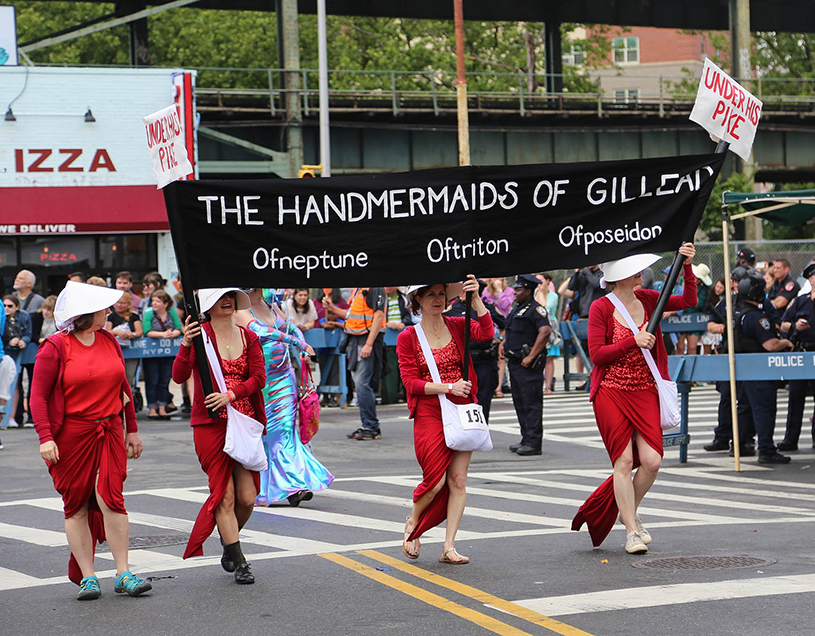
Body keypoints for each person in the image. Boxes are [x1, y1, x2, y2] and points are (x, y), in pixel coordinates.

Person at [572, 244, 697, 554]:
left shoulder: (648, 298)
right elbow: (597, 354)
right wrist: (632, 341)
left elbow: (689, 300)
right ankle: (630, 531)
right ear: (620, 276)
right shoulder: (602, 307)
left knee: (653, 461)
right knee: (624, 461)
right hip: (611, 393)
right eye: (634, 269)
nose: (641, 272)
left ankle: (630, 510)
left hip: (645, 391)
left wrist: (687, 266)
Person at [30, 281, 150, 600]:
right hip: (72, 435)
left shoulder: (109, 339)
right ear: (86, 313)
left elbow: (124, 389)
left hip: (109, 429)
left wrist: (132, 429)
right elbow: (38, 397)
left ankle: (124, 572)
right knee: (77, 504)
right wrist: (45, 437)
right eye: (103, 308)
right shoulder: (55, 346)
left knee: (111, 496)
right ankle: (88, 577)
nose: (109, 312)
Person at [398, 275, 494, 565]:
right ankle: (413, 522)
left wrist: (475, 299)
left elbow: (487, 332)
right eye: (430, 295)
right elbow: (410, 382)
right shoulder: (408, 337)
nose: (438, 299)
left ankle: (449, 546)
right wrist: (448, 387)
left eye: (441, 293)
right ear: (418, 301)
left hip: (462, 409)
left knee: (459, 480)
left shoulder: (458, 325)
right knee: (436, 480)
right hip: (429, 411)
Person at [173, 288, 266, 584]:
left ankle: (229, 542)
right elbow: (178, 375)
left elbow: (259, 378)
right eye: (219, 297)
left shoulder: (248, 336)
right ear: (206, 305)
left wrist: (231, 394)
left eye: (231, 296)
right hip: (210, 424)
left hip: (244, 421)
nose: (227, 301)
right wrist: (186, 343)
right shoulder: (199, 335)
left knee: (248, 498)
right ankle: (239, 560)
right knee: (223, 496)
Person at [236, 288, 333, 506]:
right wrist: (295, 341)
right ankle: (265, 486)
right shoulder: (242, 307)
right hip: (262, 380)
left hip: (284, 376)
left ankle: (294, 484)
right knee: (267, 433)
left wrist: (302, 347)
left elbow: (293, 327)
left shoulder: (270, 304)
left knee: (286, 429)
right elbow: (260, 331)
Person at [733, 270, 794, 464]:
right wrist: (785, 343)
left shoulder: (738, 313)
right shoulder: (758, 317)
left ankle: (741, 444)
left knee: (746, 407)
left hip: (743, 368)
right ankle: (766, 449)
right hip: (759, 369)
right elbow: (771, 345)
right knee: (764, 409)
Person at [326, 286, 387, 440]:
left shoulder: (375, 287)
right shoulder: (359, 289)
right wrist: (332, 308)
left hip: (365, 339)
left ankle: (371, 426)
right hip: (356, 339)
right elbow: (351, 315)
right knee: (359, 383)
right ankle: (368, 424)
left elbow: (379, 315)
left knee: (362, 383)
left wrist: (369, 344)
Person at [500, 274, 551, 456]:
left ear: (528, 291)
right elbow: (512, 331)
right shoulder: (518, 309)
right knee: (520, 402)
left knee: (531, 403)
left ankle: (534, 442)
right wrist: (503, 343)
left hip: (528, 364)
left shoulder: (536, 310)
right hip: (515, 363)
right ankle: (525, 438)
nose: (515, 292)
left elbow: (545, 332)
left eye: (519, 289)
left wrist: (531, 356)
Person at [445, 279, 505, 422]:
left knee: (483, 400)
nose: (468, 294)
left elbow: (505, 325)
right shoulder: (452, 310)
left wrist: (500, 340)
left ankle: (481, 436)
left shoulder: (486, 309)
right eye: (466, 290)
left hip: (484, 360)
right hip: (462, 362)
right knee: (461, 401)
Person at [778, 263, 815, 451]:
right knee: (795, 398)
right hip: (802, 353)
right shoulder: (801, 301)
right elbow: (783, 323)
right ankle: (790, 439)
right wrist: (794, 326)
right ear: (810, 280)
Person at [142, 291, 182, 419]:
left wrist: (172, 334)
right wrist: (163, 334)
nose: (154, 303)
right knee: (152, 380)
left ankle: (162, 407)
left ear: (165, 304)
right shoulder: (149, 314)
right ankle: (152, 408)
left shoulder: (172, 313)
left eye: (157, 301)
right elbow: (147, 331)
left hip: (168, 352)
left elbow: (178, 328)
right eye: (153, 301)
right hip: (152, 354)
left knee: (164, 380)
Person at [3, 295, 32, 428]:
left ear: (17, 307)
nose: (6, 308)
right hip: (4, 350)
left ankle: (11, 416)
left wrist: (23, 341)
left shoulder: (24, 316)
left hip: (17, 353)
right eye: (4, 306)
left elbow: (28, 333)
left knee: (14, 383)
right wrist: (9, 341)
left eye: (10, 306)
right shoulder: (2, 316)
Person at [106, 291, 144, 392]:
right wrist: (117, 332)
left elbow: (139, 331)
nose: (119, 305)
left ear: (128, 304)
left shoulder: (134, 316)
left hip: (131, 352)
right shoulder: (111, 316)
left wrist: (132, 334)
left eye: (123, 303)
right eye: (117, 302)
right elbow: (108, 331)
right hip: (115, 353)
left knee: (129, 377)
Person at [482, 278, 513, 397]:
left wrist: (499, 291)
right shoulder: (486, 291)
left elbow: (506, 305)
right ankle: (493, 385)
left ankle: (499, 387)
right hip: (490, 326)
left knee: (501, 358)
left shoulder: (508, 291)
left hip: (502, 326)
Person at [381, 286, 412, 405]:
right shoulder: (382, 299)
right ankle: (389, 398)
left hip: (402, 337)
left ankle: (405, 396)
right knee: (390, 369)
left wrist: (403, 323)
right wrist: (387, 323)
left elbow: (409, 315)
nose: (387, 288)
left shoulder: (403, 299)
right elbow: (378, 315)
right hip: (386, 338)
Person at [675, 263, 712, 356]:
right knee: (680, 348)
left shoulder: (703, 289)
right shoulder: (681, 281)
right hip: (680, 317)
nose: (696, 280)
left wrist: (692, 289)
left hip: (693, 319)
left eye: (698, 279)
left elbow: (698, 304)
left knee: (692, 348)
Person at [535, 273, 561, 394]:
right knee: (538, 356)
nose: (538, 284)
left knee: (549, 358)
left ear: (547, 281)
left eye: (541, 281)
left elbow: (543, 308)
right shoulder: (534, 293)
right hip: (537, 327)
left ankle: (548, 386)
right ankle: (538, 384)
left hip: (550, 327)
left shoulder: (553, 296)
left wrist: (540, 293)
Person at [700, 277, 726, 354]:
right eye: (717, 286)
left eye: (721, 288)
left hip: (719, 327)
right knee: (706, 348)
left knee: (717, 349)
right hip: (710, 323)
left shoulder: (724, 299)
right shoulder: (709, 293)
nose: (718, 289)